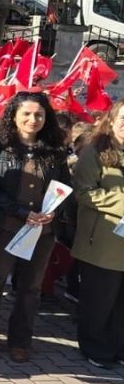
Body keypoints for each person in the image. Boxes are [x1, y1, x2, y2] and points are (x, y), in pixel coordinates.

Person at [0, 91, 68, 363]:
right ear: (14, 115)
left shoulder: (55, 150)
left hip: (42, 232)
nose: (32, 119)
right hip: (3, 226)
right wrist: (21, 211)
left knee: (31, 287)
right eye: (26, 113)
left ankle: (21, 340)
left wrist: (52, 211)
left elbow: (64, 187)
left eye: (38, 114)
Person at [70, 100, 124, 368]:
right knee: (99, 302)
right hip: (101, 242)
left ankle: (119, 348)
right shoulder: (94, 151)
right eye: (123, 118)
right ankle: (95, 348)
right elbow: (83, 192)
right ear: (111, 120)